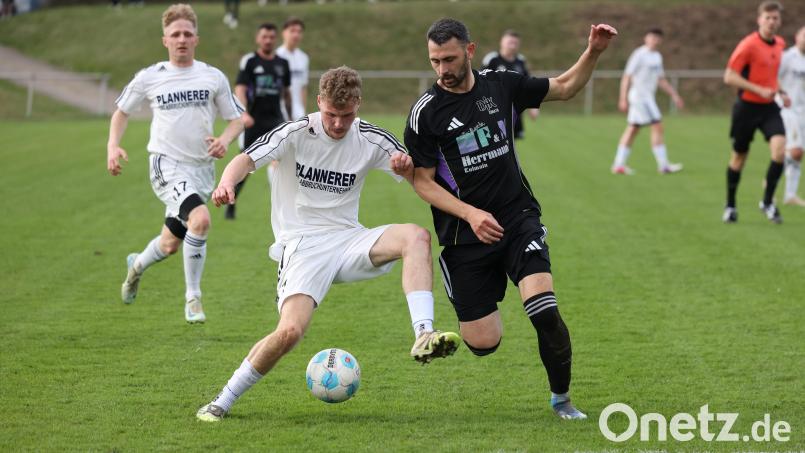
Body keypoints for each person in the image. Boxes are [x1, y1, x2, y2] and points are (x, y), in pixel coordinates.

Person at [196, 67, 461, 422]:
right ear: (318, 102)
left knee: (416, 236)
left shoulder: (370, 138)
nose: (338, 124)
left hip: (349, 238)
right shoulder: (295, 132)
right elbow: (246, 158)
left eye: (347, 115)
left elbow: (417, 173)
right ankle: (223, 400)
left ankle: (423, 334)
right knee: (289, 332)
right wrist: (227, 183)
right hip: (302, 245)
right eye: (331, 115)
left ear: (358, 105)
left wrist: (405, 166)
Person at [404, 18, 617, 420]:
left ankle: (562, 399)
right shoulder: (425, 114)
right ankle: (469, 295)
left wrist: (594, 51)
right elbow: (423, 183)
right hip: (466, 237)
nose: (442, 70)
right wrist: (471, 214)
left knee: (544, 309)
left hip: (518, 218)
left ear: (469, 50)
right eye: (434, 61)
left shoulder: (501, 84)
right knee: (484, 343)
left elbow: (566, 87)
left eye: (449, 58)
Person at [107, 4, 244, 323]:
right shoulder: (150, 77)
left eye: (187, 34)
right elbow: (122, 112)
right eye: (175, 34)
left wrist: (224, 140)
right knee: (201, 220)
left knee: (170, 244)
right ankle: (193, 299)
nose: (181, 39)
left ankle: (136, 266)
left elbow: (237, 120)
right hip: (165, 165)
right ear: (165, 40)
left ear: (196, 38)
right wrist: (113, 145)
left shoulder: (212, 76)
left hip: (201, 170)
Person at [722, 1, 789, 224]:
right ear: (759, 19)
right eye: (767, 18)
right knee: (739, 157)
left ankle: (768, 202)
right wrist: (758, 89)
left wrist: (781, 90)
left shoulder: (779, 44)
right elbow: (729, 76)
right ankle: (730, 206)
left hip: (769, 108)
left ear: (780, 21)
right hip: (747, 108)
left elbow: (771, 74)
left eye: (775, 18)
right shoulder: (748, 45)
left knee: (780, 152)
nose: (771, 22)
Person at [225, 22, 292, 220]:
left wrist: (289, 117)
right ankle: (231, 202)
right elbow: (240, 88)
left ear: (276, 39)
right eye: (264, 36)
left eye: (272, 37)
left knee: (282, 160)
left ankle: (282, 204)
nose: (268, 40)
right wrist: (244, 113)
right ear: (258, 38)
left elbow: (286, 93)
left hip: (275, 120)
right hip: (253, 121)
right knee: (245, 161)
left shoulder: (282, 64)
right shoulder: (250, 61)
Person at [611, 28, 684, 175]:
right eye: (652, 37)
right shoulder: (639, 54)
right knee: (657, 125)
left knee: (633, 129)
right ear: (646, 38)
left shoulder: (657, 56)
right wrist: (622, 98)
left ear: (660, 40)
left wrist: (674, 95)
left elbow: (660, 80)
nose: (654, 40)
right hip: (639, 97)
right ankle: (663, 166)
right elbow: (627, 76)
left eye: (657, 38)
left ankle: (618, 165)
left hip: (647, 98)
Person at [481, 30, 538, 139]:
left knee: (512, 142)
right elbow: (480, 82)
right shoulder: (492, 60)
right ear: (501, 42)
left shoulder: (520, 61)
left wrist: (533, 107)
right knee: (494, 141)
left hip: (515, 111)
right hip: (494, 110)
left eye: (515, 43)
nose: (512, 46)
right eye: (510, 42)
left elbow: (528, 84)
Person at [779, 25, 805, 207]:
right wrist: (780, 96)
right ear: (797, 36)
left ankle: (790, 194)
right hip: (788, 111)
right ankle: (770, 179)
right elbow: (773, 77)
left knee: (797, 154)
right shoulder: (787, 57)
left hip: (803, 112)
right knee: (795, 151)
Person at [276, 17, 310, 121]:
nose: (296, 34)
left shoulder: (304, 57)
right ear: (284, 33)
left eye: (299, 32)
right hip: (279, 110)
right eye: (292, 31)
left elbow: (303, 87)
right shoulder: (277, 56)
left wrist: (303, 110)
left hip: (298, 112)